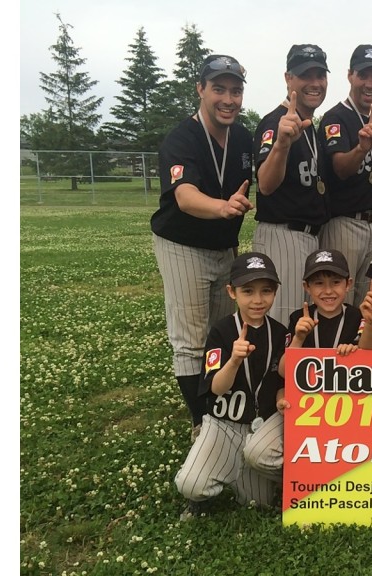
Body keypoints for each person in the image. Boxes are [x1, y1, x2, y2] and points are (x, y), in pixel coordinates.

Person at [150, 54, 255, 440]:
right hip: (183, 244)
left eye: (236, 91)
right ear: (200, 89)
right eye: (219, 89)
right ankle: (201, 423)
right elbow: (185, 196)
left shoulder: (242, 138)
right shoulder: (182, 138)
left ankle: (220, 411)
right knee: (191, 340)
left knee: (222, 334)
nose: (228, 99)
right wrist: (222, 207)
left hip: (223, 247)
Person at [174, 252, 289, 520]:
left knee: (257, 502)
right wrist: (234, 361)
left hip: (260, 425)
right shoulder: (221, 331)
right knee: (191, 485)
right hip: (225, 423)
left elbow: (282, 379)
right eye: (248, 291)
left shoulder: (279, 331)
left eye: (266, 291)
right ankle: (213, 479)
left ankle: (240, 471)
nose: (257, 300)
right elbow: (215, 387)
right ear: (232, 292)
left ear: (275, 292)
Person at [242, 248, 364, 483]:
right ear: (306, 287)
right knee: (257, 453)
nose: (328, 291)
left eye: (336, 282)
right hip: (304, 408)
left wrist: (356, 352)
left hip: (351, 411)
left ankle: (345, 478)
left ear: (348, 284)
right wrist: (298, 338)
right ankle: (304, 481)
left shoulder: (358, 317)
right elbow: (284, 371)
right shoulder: (298, 319)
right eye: (318, 283)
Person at [253, 44, 330, 326]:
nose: (315, 83)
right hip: (283, 234)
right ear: (288, 78)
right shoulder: (275, 123)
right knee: (284, 323)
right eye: (305, 75)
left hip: (308, 237)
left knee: (304, 324)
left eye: (320, 75)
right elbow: (265, 184)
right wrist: (282, 145)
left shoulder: (308, 125)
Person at [318, 45, 372, 307]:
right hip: (342, 224)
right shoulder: (335, 117)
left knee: (360, 308)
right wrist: (361, 148)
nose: (370, 84)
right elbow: (340, 168)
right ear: (350, 75)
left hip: (369, 225)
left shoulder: (371, 121)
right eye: (363, 75)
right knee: (337, 303)